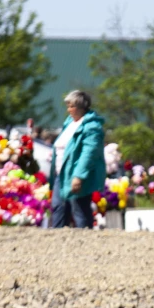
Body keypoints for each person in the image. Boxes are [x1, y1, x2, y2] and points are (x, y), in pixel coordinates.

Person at [49, 90, 106, 229]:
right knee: (58, 208)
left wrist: (78, 176)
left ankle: (85, 243)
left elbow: (89, 153)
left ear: (82, 107)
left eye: (71, 106)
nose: (68, 110)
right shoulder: (69, 123)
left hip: (75, 175)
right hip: (61, 174)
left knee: (79, 210)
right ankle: (56, 242)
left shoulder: (92, 127)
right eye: (68, 106)